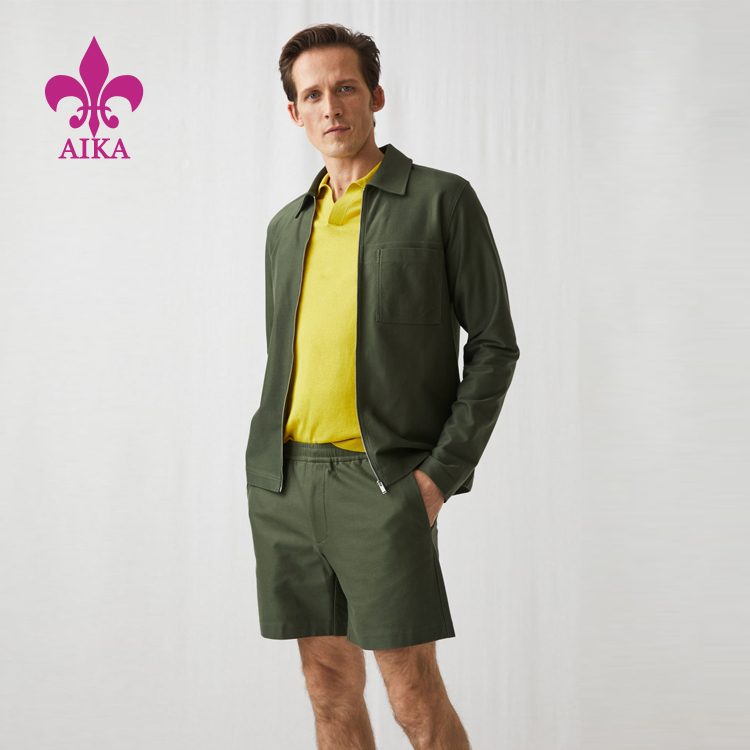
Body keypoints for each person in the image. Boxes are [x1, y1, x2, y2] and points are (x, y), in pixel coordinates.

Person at [244, 22, 520, 750]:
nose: (330, 106)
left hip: (382, 482)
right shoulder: (285, 228)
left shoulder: (440, 200)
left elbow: (495, 345)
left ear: (375, 97)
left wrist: (437, 478)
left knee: (412, 697)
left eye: (345, 87)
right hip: (287, 482)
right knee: (327, 689)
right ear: (294, 113)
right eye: (312, 95)